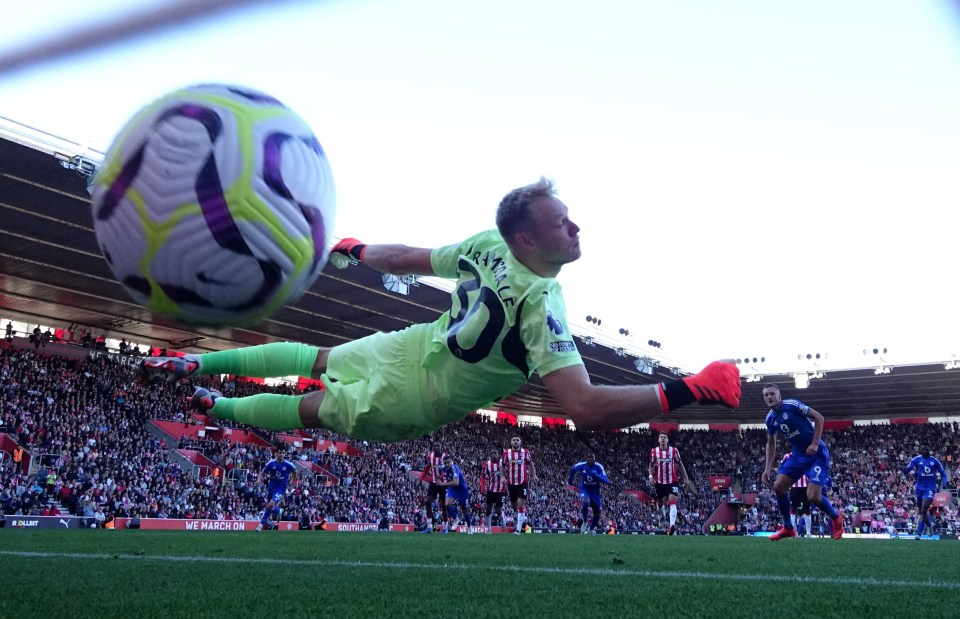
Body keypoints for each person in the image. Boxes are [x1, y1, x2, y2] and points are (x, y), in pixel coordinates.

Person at [137, 178, 741, 441]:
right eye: (562, 223)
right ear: (526, 240)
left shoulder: (486, 242)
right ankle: (199, 371)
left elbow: (409, 257)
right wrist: (686, 390)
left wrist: (358, 249)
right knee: (315, 374)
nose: (577, 227)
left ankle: (214, 395)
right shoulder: (541, 301)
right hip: (417, 388)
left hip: (417, 365)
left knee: (314, 386)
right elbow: (583, 409)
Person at [761, 383, 845, 541]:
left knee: (813, 496)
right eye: (766, 395)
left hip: (816, 454)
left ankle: (836, 518)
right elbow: (771, 444)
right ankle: (788, 527)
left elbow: (819, 418)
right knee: (778, 487)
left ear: (779, 396)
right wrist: (767, 468)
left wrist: (814, 443)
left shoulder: (792, 405)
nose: (769, 397)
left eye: (772, 394)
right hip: (798, 455)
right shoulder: (770, 419)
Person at [648, 432, 691, 535]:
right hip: (659, 482)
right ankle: (663, 517)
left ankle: (672, 525)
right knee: (660, 502)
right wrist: (650, 477)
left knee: (672, 502)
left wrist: (686, 479)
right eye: (661, 437)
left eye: (665, 437)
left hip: (672, 481)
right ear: (658, 440)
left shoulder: (674, 451)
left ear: (667, 440)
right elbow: (651, 465)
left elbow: (680, 464)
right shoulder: (654, 451)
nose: (663, 439)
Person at [903, 446, 949, 538]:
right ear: (920, 450)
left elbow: (942, 472)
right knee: (922, 512)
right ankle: (929, 525)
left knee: (924, 509)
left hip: (930, 488)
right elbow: (908, 469)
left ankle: (918, 533)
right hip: (919, 488)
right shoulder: (916, 459)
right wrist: (904, 470)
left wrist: (945, 482)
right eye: (923, 449)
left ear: (929, 451)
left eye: (926, 449)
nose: (925, 451)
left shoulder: (935, 461)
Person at [256, 447, 297, 531]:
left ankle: (276, 512)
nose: (281, 454)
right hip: (271, 487)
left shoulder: (288, 464)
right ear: (276, 454)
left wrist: (292, 481)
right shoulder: (271, 463)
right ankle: (262, 524)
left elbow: (295, 472)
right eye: (280, 452)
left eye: (283, 452)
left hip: (281, 488)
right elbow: (262, 473)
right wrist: (258, 480)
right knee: (269, 506)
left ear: (285, 454)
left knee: (271, 504)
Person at [568, 453, 610, 533]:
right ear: (586, 458)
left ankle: (590, 529)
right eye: (589, 457)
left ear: (595, 459)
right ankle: (585, 521)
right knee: (585, 502)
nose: (591, 459)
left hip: (595, 492)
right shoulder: (582, 465)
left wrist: (596, 475)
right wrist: (570, 481)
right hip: (585, 489)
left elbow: (606, 480)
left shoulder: (599, 466)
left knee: (597, 514)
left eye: (592, 458)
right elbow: (573, 469)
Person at [503, 435, 536, 535]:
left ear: (520, 442)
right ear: (511, 442)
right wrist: (504, 477)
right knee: (514, 507)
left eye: (517, 440)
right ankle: (522, 516)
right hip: (511, 483)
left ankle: (518, 530)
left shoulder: (525, 452)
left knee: (521, 504)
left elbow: (530, 464)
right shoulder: (506, 453)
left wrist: (534, 475)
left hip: (523, 482)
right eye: (514, 440)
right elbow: (502, 466)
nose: (515, 442)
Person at [434, 454, 473, 533]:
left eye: (448, 462)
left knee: (465, 510)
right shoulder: (444, 467)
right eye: (445, 463)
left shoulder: (455, 468)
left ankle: (469, 527)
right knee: (447, 504)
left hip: (461, 489)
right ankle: (456, 518)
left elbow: (456, 482)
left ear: (451, 461)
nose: (447, 464)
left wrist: (442, 484)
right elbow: (437, 467)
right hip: (453, 488)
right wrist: (440, 475)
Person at [781, 452, 812, 538]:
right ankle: (793, 532)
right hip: (794, 486)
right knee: (793, 509)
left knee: (807, 509)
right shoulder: (788, 456)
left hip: (806, 486)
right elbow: (782, 467)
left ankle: (808, 532)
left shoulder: (807, 454)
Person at [419, 446, 447, 533]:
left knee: (444, 505)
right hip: (434, 482)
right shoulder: (430, 456)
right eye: (434, 446)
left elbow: (449, 470)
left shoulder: (445, 456)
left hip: (443, 483)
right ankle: (429, 526)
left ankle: (445, 527)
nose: (436, 448)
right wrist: (421, 478)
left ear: (440, 447)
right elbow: (427, 468)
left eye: (437, 446)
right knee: (428, 502)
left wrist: (442, 476)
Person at [479, 450, 506, 533]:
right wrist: (482, 487)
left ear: (498, 455)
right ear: (490, 455)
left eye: (495, 453)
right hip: (491, 489)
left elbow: (508, 473)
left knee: (498, 510)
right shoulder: (487, 464)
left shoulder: (502, 463)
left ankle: (502, 519)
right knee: (488, 509)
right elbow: (483, 476)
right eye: (492, 453)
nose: (494, 455)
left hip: (500, 490)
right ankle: (489, 529)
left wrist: (507, 485)